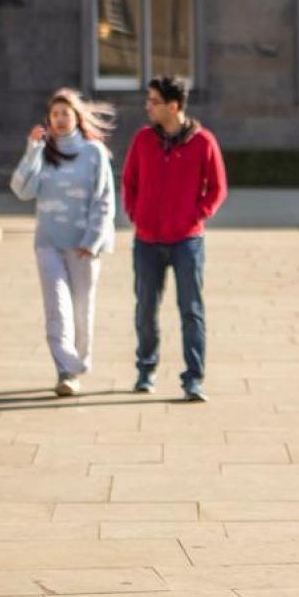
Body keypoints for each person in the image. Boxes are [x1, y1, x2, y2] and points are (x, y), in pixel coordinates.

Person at [122, 75, 227, 401]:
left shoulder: (203, 141)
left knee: (191, 310)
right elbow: (129, 182)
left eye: (153, 101)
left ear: (173, 105)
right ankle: (146, 370)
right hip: (147, 241)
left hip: (187, 242)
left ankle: (193, 378)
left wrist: (196, 215)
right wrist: (137, 216)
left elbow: (218, 188)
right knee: (146, 309)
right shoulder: (142, 139)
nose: (148, 107)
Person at [10, 88, 118, 396]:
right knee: (57, 310)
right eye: (54, 114)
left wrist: (93, 239)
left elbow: (104, 200)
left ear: (76, 117)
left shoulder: (93, 152)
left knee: (82, 310)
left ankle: (79, 361)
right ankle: (66, 371)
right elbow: (21, 189)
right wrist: (31, 150)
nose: (58, 119)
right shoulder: (43, 153)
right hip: (48, 244)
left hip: (84, 246)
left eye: (64, 114)